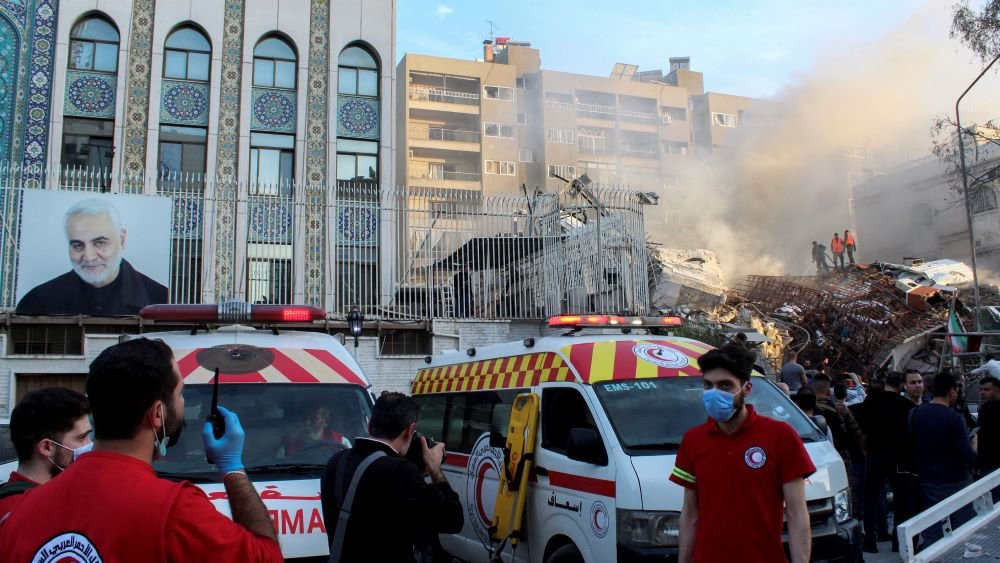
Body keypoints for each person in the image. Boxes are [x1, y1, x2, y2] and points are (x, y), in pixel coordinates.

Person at [0, 338, 283, 562]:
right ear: (157, 414)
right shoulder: (175, 511)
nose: (183, 404)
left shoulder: (22, 513)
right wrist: (233, 468)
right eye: (180, 393)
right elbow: (266, 557)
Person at [672, 343, 815, 563]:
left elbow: (797, 514)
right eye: (708, 385)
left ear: (746, 389)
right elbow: (690, 515)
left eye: (725, 385)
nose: (713, 393)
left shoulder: (780, 436)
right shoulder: (693, 441)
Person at [320, 391, 464, 563]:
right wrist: (434, 470)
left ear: (370, 424)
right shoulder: (400, 472)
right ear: (410, 430)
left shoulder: (336, 462)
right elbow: (453, 519)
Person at [15, 198, 168, 315]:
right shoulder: (38, 303)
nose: (88, 257)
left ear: (121, 240)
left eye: (99, 243)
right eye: (77, 245)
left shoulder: (160, 301)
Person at [909, 371, 978, 547]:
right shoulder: (954, 418)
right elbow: (967, 455)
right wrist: (975, 445)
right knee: (962, 532)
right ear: (952, 391)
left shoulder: (914, 414)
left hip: (927, 481)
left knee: (932, 532)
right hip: (956, 481)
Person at [0, 388, 92, 519]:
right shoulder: (14, 512)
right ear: (47, 447)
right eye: (82, 438)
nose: (89, 445)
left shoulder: (59, 495)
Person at [855, 372, 913, 553]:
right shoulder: (905, 406)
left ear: (885, 383)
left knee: (870, 496)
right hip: (898, 456)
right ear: (902, 385)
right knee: (901, 499)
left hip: (875, 453)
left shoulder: (870, 402)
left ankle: (870, 540)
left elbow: (861, 428)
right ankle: (898, 541)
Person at [283, 405, 352, 456]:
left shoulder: (341, 442)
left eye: (314, 418)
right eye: (305, 418)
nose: (308, 422)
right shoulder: (291, 442)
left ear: (326, 422)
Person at [977, 375, 1000, 478]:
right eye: (981, 389)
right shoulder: (984, 408)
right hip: (986, 462)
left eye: (986, 389)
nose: (982, 392)